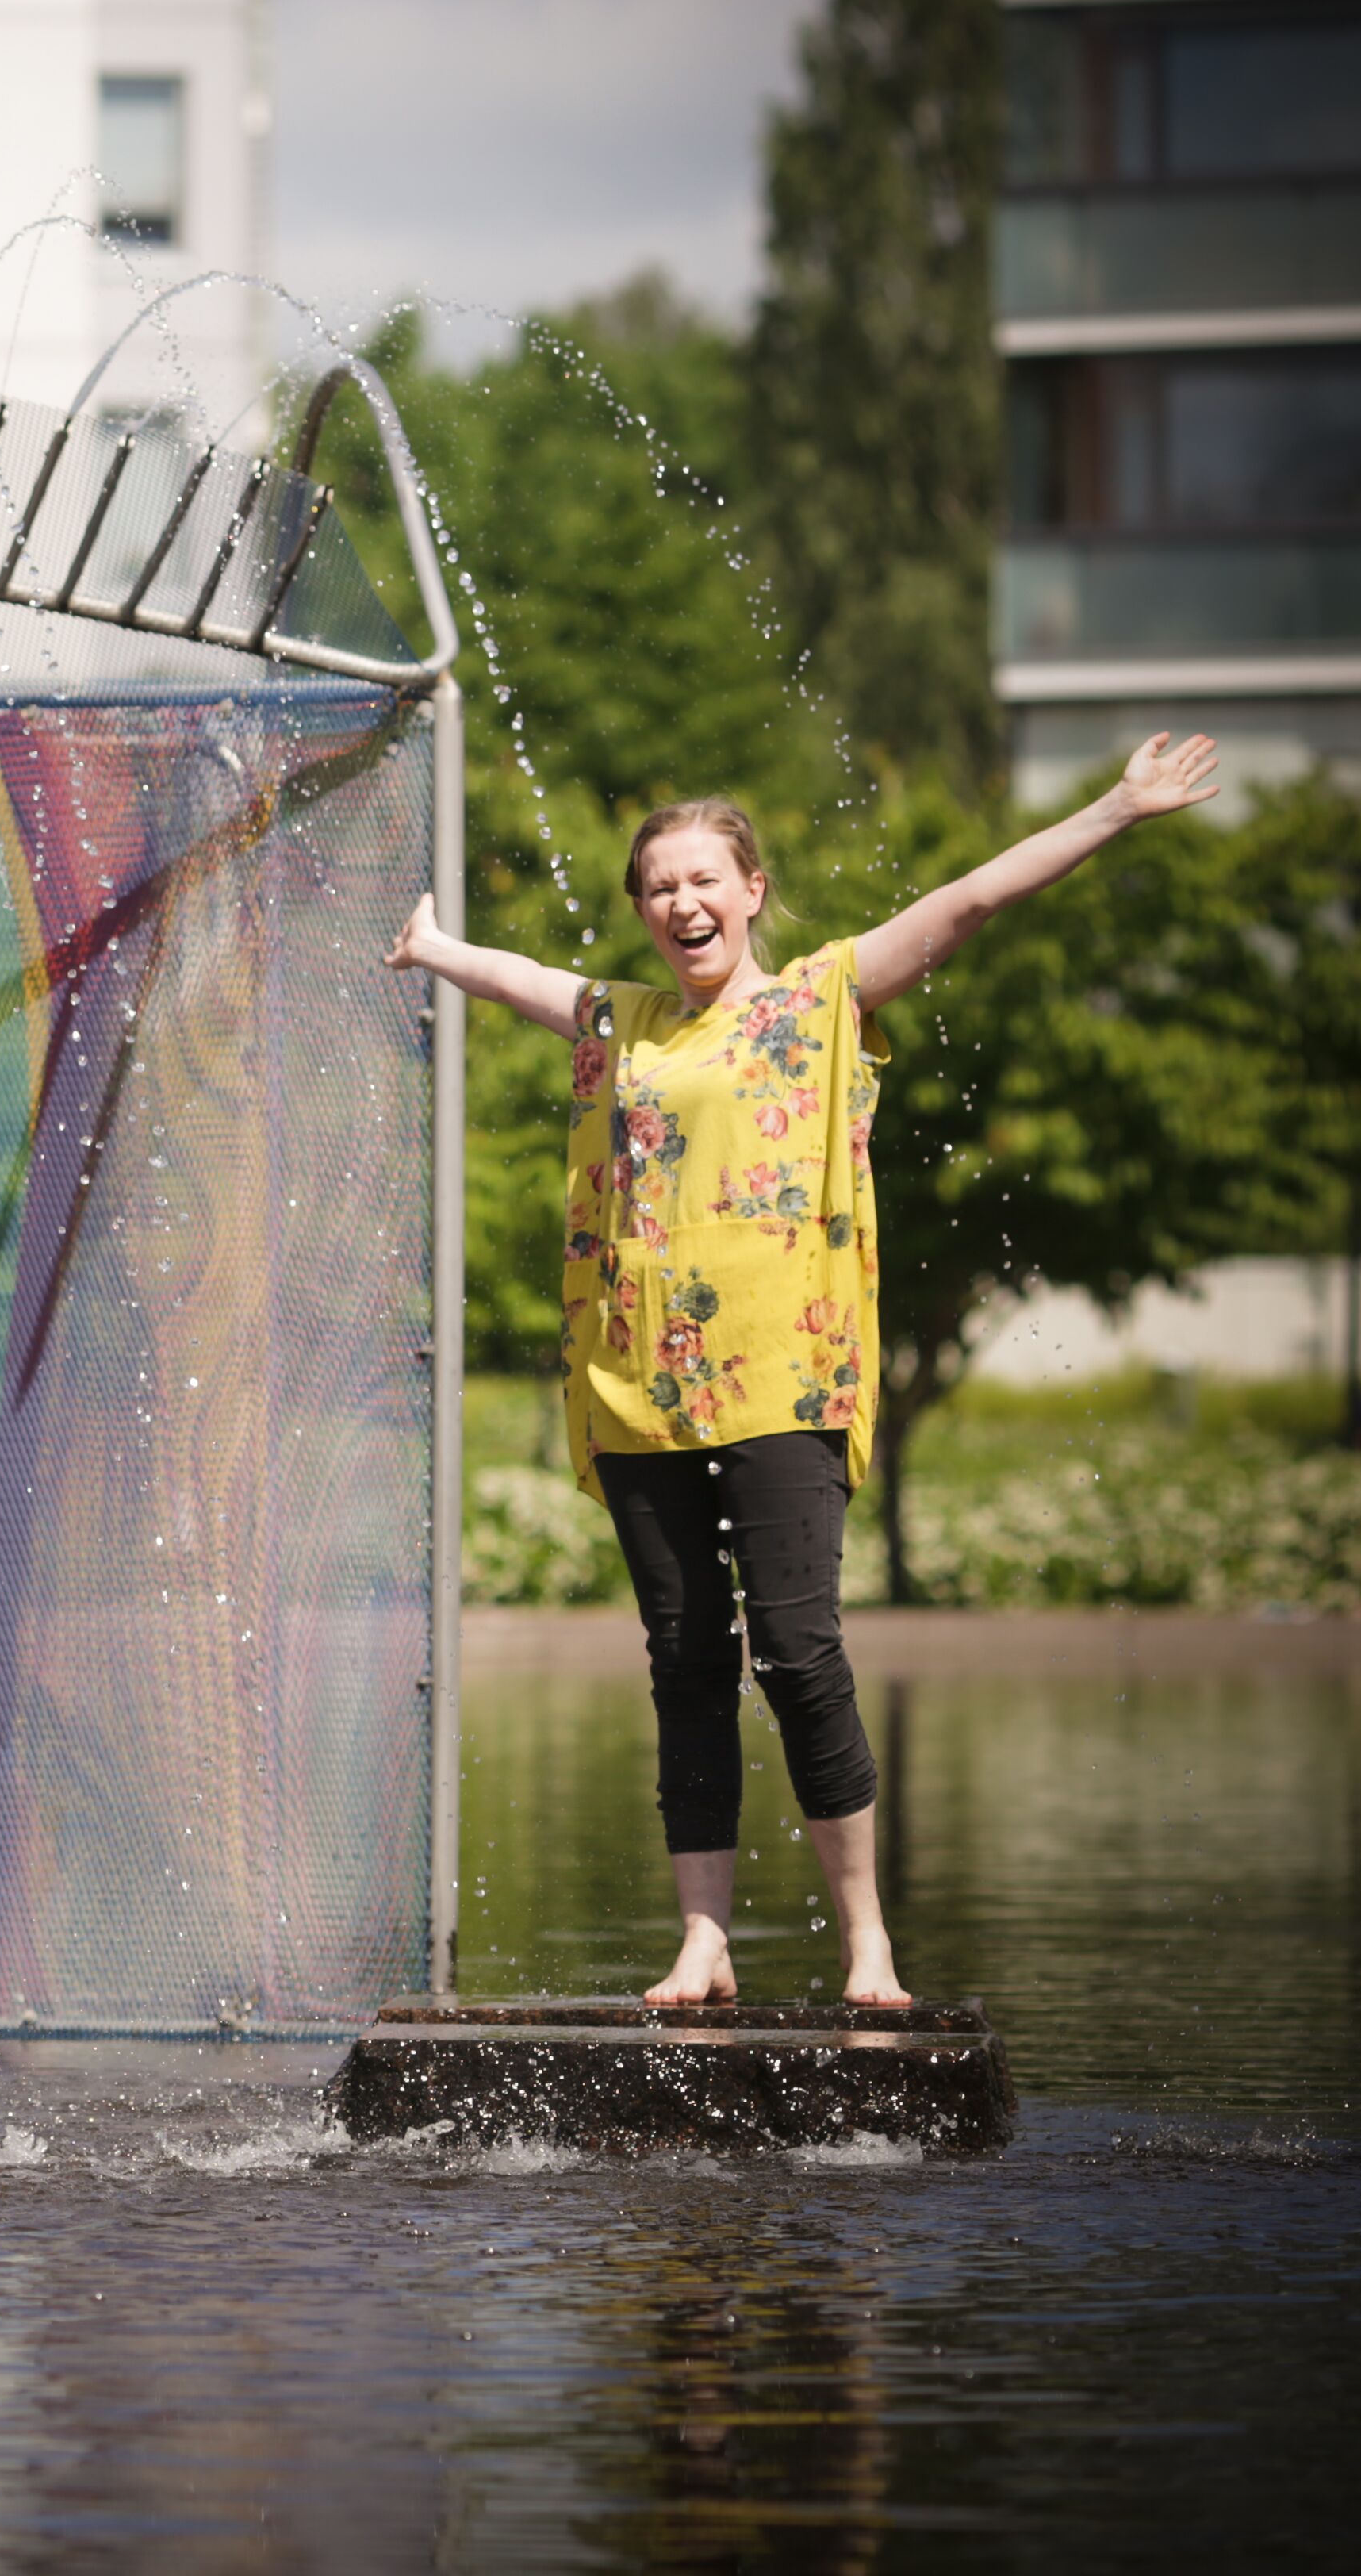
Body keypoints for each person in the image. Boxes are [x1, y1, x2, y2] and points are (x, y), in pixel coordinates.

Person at [386, 733, 1220, 2006]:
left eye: (703, 880)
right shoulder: (626, 1022)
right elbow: (526, 982)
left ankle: (866, 1941)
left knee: (798, 1652)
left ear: (752, 890)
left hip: (787, 1381)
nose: (682, 903)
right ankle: (704, 1940)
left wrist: (1115, 808)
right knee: (685, 1663)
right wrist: (437, 948)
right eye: (659, 886)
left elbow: (969, 900)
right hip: (641, 1395)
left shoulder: (822, 1000)